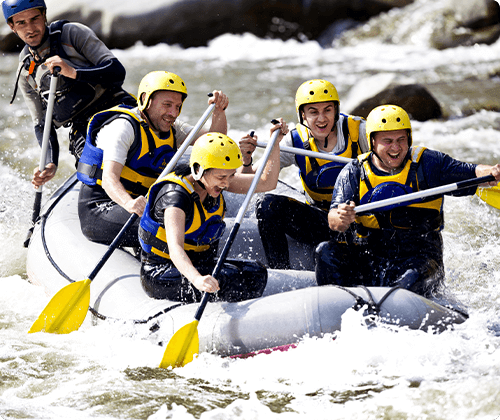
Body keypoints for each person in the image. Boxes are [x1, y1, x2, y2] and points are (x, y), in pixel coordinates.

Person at [316, 104, 500, 296]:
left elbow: (473, 172)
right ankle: (337, 303)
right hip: (370, 256)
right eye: (387, 141)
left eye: (401, 140)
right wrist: (342, 218)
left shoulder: (428, 163)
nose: (395, 148)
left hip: (420, 258)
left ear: (409, 138)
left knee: (408, 282)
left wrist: (492, 172)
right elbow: (334, 220)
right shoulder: (354, 172)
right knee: (325, 251)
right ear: (372, 142)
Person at [77, 70, 229, 248]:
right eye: (167, 105)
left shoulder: (171, 127)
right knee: (176, 225)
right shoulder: (123, 128)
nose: (173, 113)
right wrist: (129, 203)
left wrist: (219, 111)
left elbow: (214, 142)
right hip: (102, 207)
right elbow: (109, 178)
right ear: (145, 100)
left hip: (141, 203)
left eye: (178, 106)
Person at [139, 122, 288, 303]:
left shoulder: (214, 180)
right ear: (198, 170)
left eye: (231, 176)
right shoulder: (175, 198)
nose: (226, 183)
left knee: (255, 272)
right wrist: (197, 279)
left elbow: (266, 183)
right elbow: (175, 249)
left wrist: (275, 143)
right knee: (229, 279)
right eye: (221, 177)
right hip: (162, 272)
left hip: (199, 264)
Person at [2, 0, 136, 188]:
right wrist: (50, 162)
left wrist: (73, 72)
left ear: (44, 16)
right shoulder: (25, 71)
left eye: (35, 19)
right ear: (12, 27)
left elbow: (116, 71)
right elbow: (42, 124)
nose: (30, 28)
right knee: (92, 179)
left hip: (115, 107)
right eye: (21, 23)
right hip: (83, 129)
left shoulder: (72, 34)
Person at [239, 79, 369, 269]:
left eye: (327, 110)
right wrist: (246, 158)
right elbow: (251, 181)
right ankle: (281, 271)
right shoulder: (294, 140)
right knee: (267, 205)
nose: (322, 119)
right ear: (303, 115)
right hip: (321, 221)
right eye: (313, 112)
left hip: (359, 222)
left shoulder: (360, 131)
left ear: (336, 110)